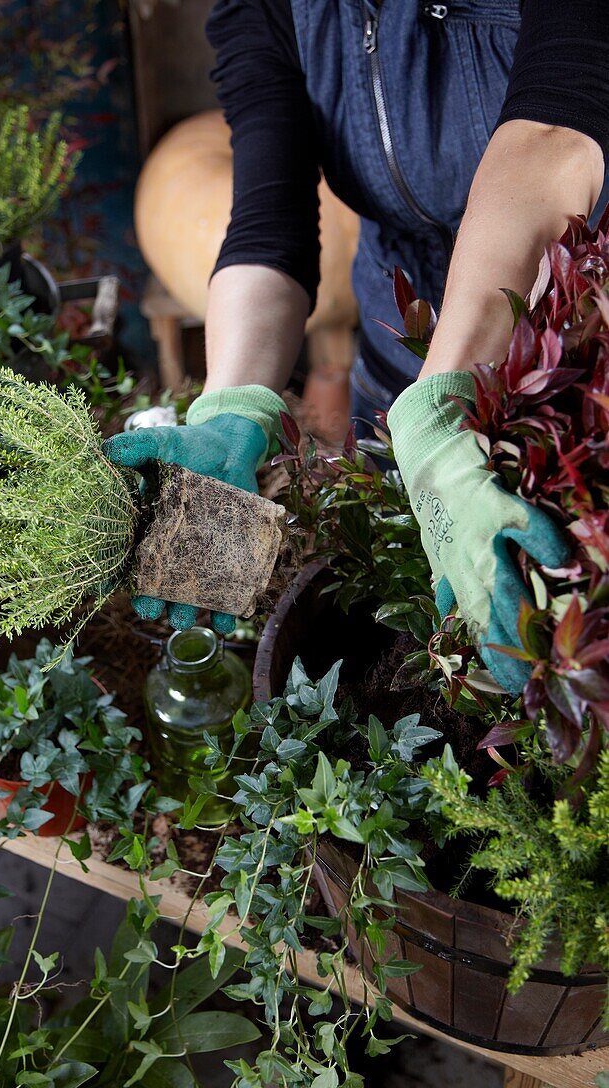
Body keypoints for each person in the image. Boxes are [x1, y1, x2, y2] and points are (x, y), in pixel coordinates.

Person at [104, 0, 609, 691]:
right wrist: (229, 406)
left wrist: (441, 407)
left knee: (564, 637)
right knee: (430, 629)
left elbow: (555, 134)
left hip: (569, 369)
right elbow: (267, 217)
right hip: (399, 363)